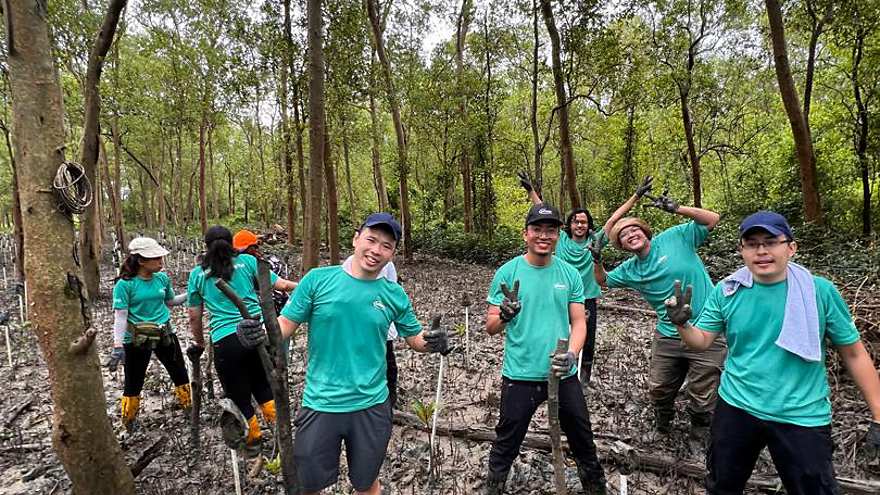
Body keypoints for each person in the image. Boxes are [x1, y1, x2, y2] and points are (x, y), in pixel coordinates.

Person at [665, 211, 880, 494]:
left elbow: (853, 353)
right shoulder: (728, 290)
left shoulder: (820, 292)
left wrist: (878, 414)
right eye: (752, 243)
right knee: (722, 485)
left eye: (771, 241)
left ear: (791, 247)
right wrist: (682, 324)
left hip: (802, 413)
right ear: (741, 250)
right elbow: (702, 341)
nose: (762, 251)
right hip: (737, 406)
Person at [237, 212, 450, 495]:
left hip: (372, 406)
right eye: (371, 240)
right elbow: (285, 325)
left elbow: (415, 339)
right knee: (307, 484)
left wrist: (434, 341)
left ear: (393, 253)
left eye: (386, 245)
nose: (376, 250)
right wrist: (261, 332)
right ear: (356, 238)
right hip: (321, 403)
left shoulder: (393, 294)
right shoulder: (317, 280)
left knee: (366, 483)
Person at [484, 203, 606, 495]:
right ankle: (494, 485)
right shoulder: (507, 272)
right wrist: (504, 315)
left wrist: (572, 355)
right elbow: (490, 326)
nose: (543, 235)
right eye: (537, 229)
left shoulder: (570, 274)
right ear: (525, 233)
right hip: (520, 372)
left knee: (582, 439)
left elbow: (579, 323)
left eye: (550, 230)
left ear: (557, 236)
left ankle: (595, 486)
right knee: (506, 440)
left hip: (562, 373)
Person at [592, 177, 725, 441]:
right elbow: (603, 281)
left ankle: (700, 429)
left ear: (645, 231)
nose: (630, 234)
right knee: (659, 387)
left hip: (707, 325)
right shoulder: (630, 269)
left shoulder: (676, 237)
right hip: (669, 332)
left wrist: (678, 209)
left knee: (703, 387)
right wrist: (596, 259)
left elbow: (712, 219)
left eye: (634, 230)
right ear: (622, 245)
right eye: (623, 235)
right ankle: (663, 422)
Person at [186, 226, 297, 454]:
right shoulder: (247, 262)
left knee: (239, 395)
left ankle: (253, 442)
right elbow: (282, 285)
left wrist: (199, 342)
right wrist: (309, 287)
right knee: (264, 387)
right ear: (232, 244)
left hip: (225, 342)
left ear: (206, 246)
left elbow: (194, 316)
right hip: (256, 334)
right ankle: (281, 436)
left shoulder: (197, 274)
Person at [519, 172, 608, 384]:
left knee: (587, 338)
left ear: (589, 225)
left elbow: (614, 220)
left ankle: (583, 376)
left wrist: (636, 196)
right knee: (558, 332)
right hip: (560, 294)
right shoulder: (563, 240)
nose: (580, 225)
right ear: (569, 225)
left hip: (587, 299)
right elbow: (544, 216)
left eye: (584, 222)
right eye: (576, 221)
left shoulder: (595, 241)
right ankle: (554, 367)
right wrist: (531, 191)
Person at [110, 237, 191, 430]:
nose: (160, 262)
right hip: (137, 339)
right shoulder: (125, 285)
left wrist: (190, 293)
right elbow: (120, 316)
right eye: (155, 258)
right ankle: (128, 420)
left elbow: (170, 302)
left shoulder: (162, 278)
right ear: (141, 260)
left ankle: (189, 408)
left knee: (179, 372)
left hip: (165, 334)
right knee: (133, 380)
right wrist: (118, 346)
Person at [341, 254, 402, 408]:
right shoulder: (349, 263)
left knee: (388, 366)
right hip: (357, 327)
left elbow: (391, 291)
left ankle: (389, 403)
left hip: (381, 326)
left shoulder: (387, 265)